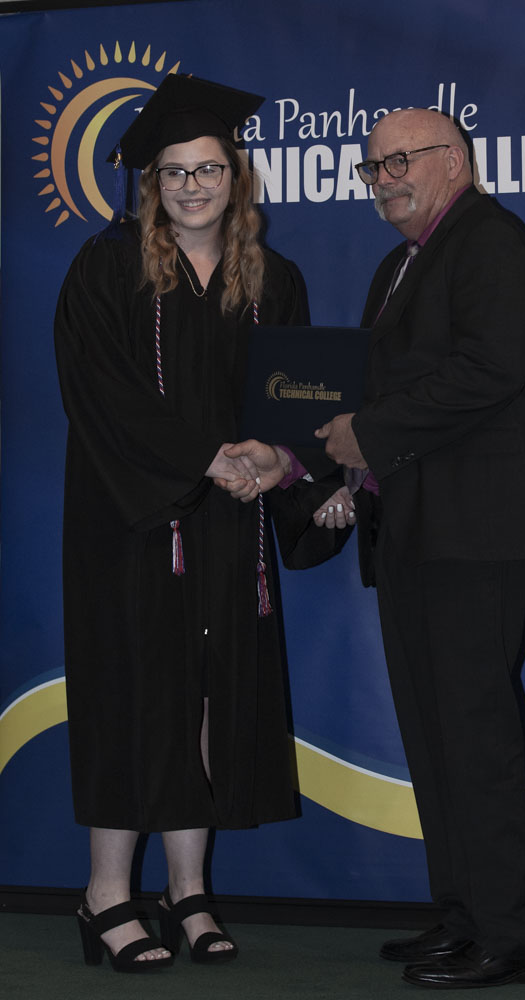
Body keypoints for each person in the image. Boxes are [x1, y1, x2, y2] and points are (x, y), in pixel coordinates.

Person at [223, 107, 525, 989]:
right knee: (434, 735)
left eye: (400, 160)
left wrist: (367, 436)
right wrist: (333, 470)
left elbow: (490, 371)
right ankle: (464, 914)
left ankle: (512, 935)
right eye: (373, 167)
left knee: (473, 736)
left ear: (454, 160)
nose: (385, 180)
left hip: (475, 535)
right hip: (413, 529)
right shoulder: (400, 264)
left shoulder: (490, 243)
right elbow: (375, 394)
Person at [54, 74, 310, 973]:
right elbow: (100, 392)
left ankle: (187, 892)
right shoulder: (107, 267)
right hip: (131, 522)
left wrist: (275, 460)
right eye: (174, 172)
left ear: (236, 178)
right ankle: (105, 896)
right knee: (136, 695)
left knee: (205, 694)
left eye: (208, 169)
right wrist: (207, 458)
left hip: (227, 523)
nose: (192, 186)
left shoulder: (272, 279)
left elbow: (295, 397)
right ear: (151, 183)